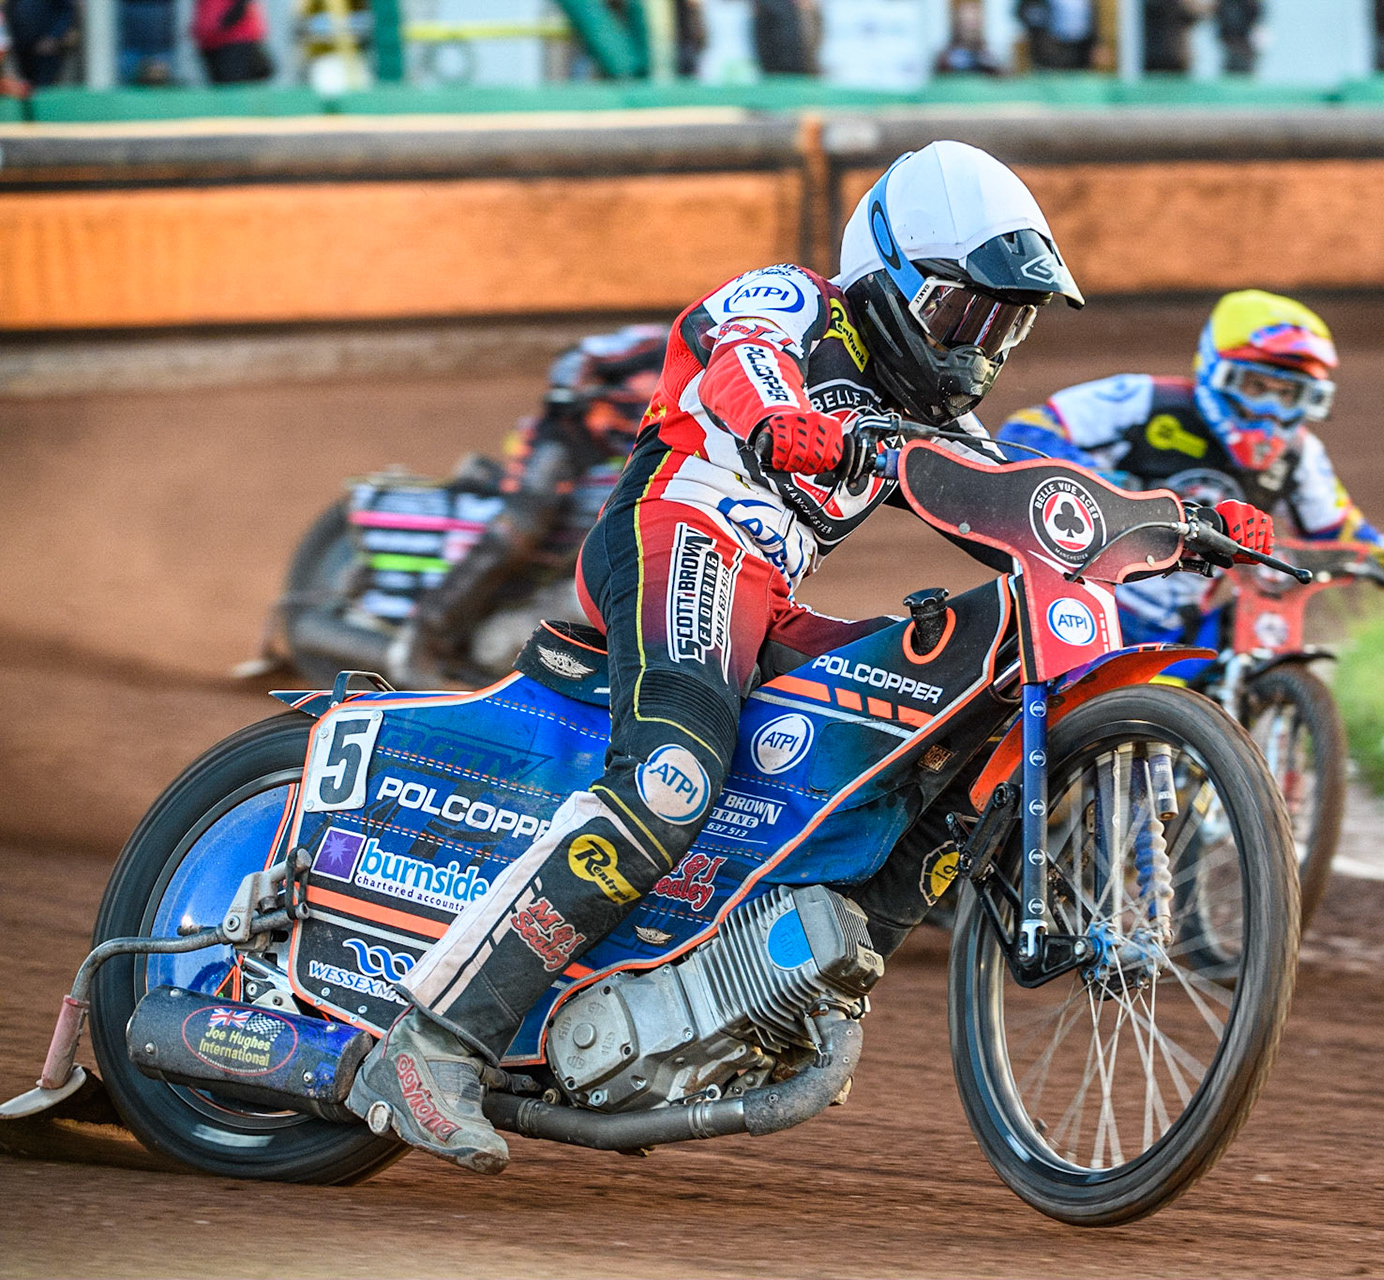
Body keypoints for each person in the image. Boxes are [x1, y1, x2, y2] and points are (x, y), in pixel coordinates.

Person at [347, 140, 1107, 1175]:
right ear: (890, 275)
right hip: (677, 530)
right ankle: (431, 1039)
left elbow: (1020, 496)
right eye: (961, 314)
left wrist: (1175, 523)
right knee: (671, 779)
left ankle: (786, 975)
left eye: (1000, 328)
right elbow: (743, 359)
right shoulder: (794, 299)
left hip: (764, 591)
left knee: (932, 722)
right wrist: (787, 423)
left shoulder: (935, 417)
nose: (975, 351)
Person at [997, 290, 1384, 648]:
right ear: (1217, 371)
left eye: (1288, 394)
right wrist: (1098, 481)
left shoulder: (1301, 454)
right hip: (1085, 598)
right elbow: (1028, 428)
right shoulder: (1144, 400)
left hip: (1187, 624)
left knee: (1243, 660)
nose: (1269, 410)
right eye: (1256, 387)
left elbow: (1337, 528)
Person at [392, 324, 671, 686]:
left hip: (632, 459)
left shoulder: (729, 381)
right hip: (571, 439)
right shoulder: (656, 340)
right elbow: (577, 355)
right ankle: (421, 637)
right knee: (524, 523)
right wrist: (571, 395)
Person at [192, 0, 274, 82]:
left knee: (233, 84)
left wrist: (223, 23)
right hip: (210, 41)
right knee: (221, 85)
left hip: (236, 38)